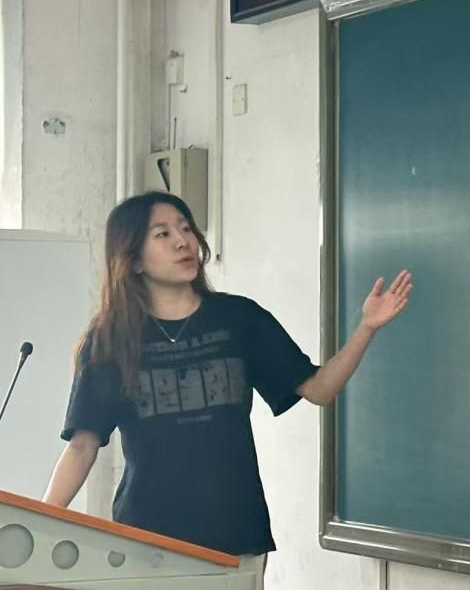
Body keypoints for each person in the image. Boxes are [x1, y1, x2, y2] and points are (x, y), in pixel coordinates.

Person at [42, 191, 411, 587]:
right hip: (147, 541)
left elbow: (319, 389)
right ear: (132, 259)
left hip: (235, 534)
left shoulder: (239, 319)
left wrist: (366, 328)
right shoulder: (110, 341)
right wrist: (38, 529)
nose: (183, 242)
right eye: (163, 234)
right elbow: (82, 446)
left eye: (186, 228)